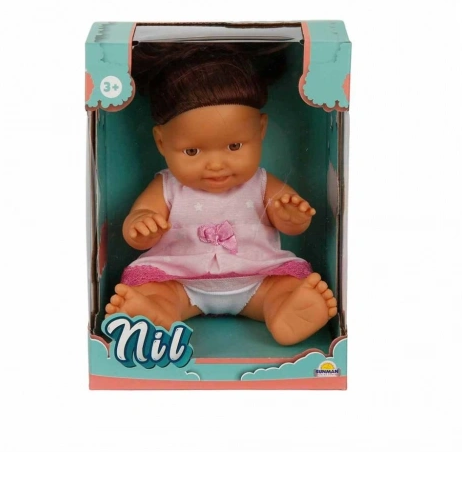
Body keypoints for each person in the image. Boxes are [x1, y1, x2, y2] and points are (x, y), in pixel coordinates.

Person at [105, 43, 337, 345]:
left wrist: (291, 216)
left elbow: (293, 223)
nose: (215, 164)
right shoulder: (166, 185)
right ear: (161, 142)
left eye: (234, 146)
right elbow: (138, 221)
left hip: (257, 278)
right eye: (192, 151)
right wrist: (141, 226)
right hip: (180, 281)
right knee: (156, 292)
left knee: (282, 287)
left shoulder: (262, 182)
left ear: (261, 129)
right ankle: (157, 312)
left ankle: (284, 310)